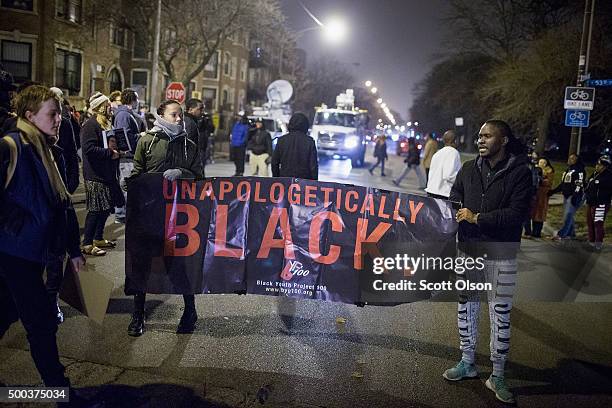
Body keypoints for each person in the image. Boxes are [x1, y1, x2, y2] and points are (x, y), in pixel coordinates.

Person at [0, 85, 85, 388]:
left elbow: (62, 204)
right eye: (53, 113)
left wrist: (74, 249)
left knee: (7, 312)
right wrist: (16, 224)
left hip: (33, 252)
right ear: (30, 115)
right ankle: (62, 395)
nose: (60, 118)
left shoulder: (48, 149)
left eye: (61, 112)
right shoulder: (11, 146)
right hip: (14, 254)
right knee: (42, 324)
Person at [445, 120, 532, 404]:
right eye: (479, 136)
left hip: (501, 253)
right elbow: (454, 198)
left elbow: (517, 213)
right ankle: (467, 362)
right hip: (468, 250)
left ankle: (498, 374)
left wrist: (478, 217)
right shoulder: (469, 169)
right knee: (466, 307)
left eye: (487, 136)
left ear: (504, 140)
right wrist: (458, 210)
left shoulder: (520, 173)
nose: (480, 141)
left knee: (500, 313)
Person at [126, 99, 203, 336]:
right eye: (174, 115)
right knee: (142, 264)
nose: (179, 119)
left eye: (180, 115)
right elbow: (138, 172)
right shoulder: (146, 142)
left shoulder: (189, 146)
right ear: (161, 115)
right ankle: (138, 314)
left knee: (179, 265)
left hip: (180, 218)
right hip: (150, 214)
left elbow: (199, 177)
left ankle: (190, 311)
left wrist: (182, 173)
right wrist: (129, 183)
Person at [81, 92, 124, 256]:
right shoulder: (90, 125)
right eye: (107, 105)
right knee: (95, 209)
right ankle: (86, 243)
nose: (110, 107)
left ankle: (98, 238)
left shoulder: (106, 124)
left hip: (106, 173)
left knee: (106, 208)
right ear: (99, 107)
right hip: (95, 174)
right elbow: (88, 149)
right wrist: (109, 153)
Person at [113, 88, 146, 224]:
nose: (138, 102)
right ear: (133, 100)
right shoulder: (124, 115)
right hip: (127, 157)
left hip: (129, 156)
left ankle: (124, 214)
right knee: (126, 186)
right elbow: (124, 136)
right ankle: (122, 215)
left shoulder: (125, 114)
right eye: (137, 99)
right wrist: (140, 136)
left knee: (128, 186)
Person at [548, 154, 586, 240]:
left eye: (572, 159)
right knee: (569, 215)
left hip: (574, 196)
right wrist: (553, 191)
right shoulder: (568, 170)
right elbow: (563, 184)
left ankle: (562, 234)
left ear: (577, 160)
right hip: (566, 195)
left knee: (568, 215)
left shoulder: (580, 170)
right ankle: (571, 233)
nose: (569, 160)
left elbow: (579, 184)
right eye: (569, 158)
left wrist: (575, 195)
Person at [271, 112, 318, 180]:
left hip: (285, 179)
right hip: (303, 182)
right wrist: (314, 183)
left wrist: (277, 178)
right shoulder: (309, 141)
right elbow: (313, 166)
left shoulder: (282, 140)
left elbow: (274, 162)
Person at [584, 154, 612, 250]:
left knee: (598, 222)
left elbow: (604, 187)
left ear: (605, 166)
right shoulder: (595, 174)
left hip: (601, 203)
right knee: (590, 221)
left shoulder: (608, 176)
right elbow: (589, 184)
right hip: (591, 202)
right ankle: (591, 240)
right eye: (597, 164)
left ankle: (598, 242)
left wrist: (596, 184)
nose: (597, 166)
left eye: (600, 165)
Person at [425, 130, 461, 199]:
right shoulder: (453, 153)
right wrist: (461, 181)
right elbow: (449, 175)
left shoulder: (437, 153)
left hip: (431, 191)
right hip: (443, 194)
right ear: (455, 141)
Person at [529, 157, 554, 238]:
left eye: (543, 162)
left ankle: (538, 231)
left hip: (543, 194)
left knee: (540, 212)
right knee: (534, 212)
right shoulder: (536, 170)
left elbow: (549, 182)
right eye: (540, 162)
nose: (541, 164)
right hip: (536, 193)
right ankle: (533, 231)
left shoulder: (549, 171)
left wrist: (540, 180)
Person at [183, 98, 208, 173]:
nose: (202, 112)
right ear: (191, 110)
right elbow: (187, 145)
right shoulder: (189, 123)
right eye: (200, 109)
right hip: (191, 164)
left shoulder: (191, 121)